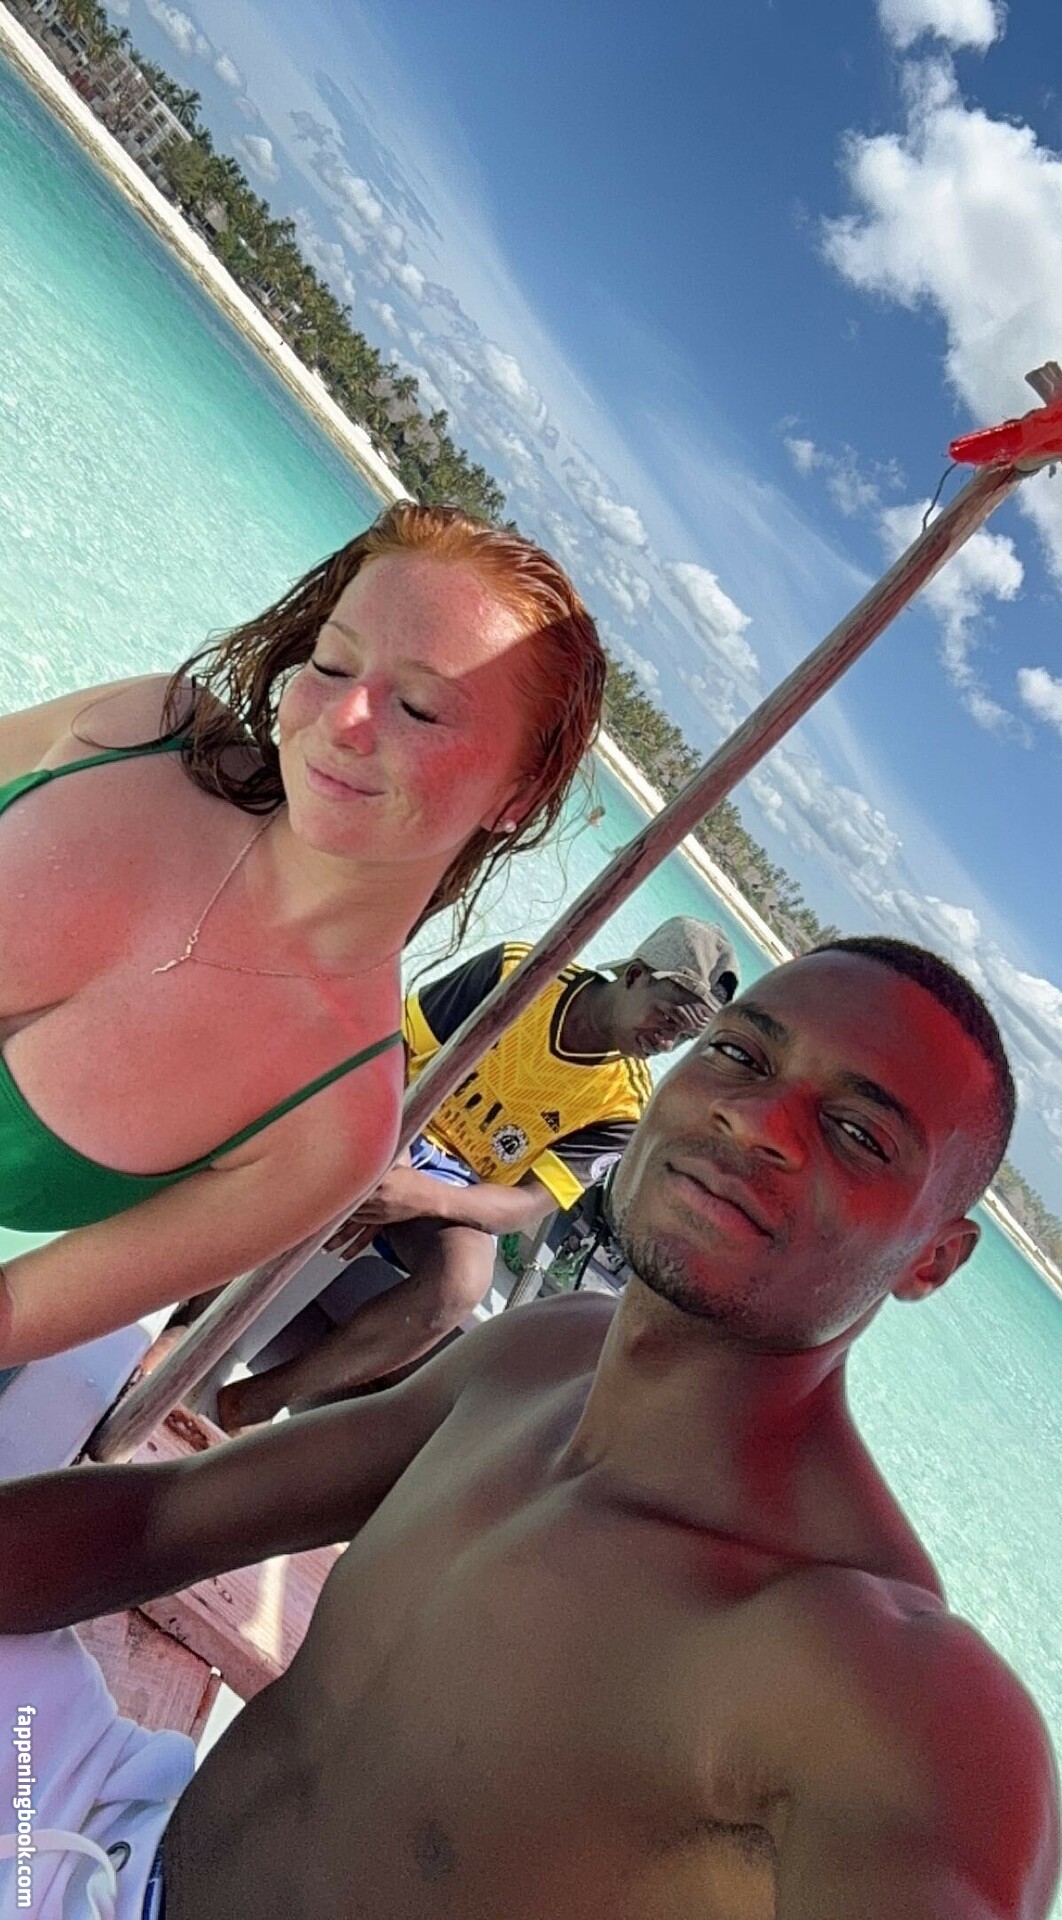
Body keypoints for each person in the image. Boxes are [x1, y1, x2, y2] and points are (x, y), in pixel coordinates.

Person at [1, 934, 1058, 1919]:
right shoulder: (539, 1357)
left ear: (935, 1258)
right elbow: (164, 1523)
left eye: (858, 1134)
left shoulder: (884, 1682)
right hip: (123, 1845)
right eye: (740, 1056)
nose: (756, 1121)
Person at [0, 504, 605, 1369]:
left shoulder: (333, 1123)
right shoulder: (139, 731)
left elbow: (16, 1312)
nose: (342, 719)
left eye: (420, 708)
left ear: (520, 794)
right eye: (331, 663)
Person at [215, 916, 739, 1429]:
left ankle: (259, 1398)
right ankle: (201, 1320)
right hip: (395, 1114)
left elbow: (527, 1204)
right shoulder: (522, 974)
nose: (665, 1042)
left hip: (458, 1189)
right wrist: (393, 1154)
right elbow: (397, 1048)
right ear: (634, 976)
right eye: (665, 1018)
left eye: (681, 1038)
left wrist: (421, 1196)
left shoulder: (624, 1106)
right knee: (325, 1148)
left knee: (461, 1283)